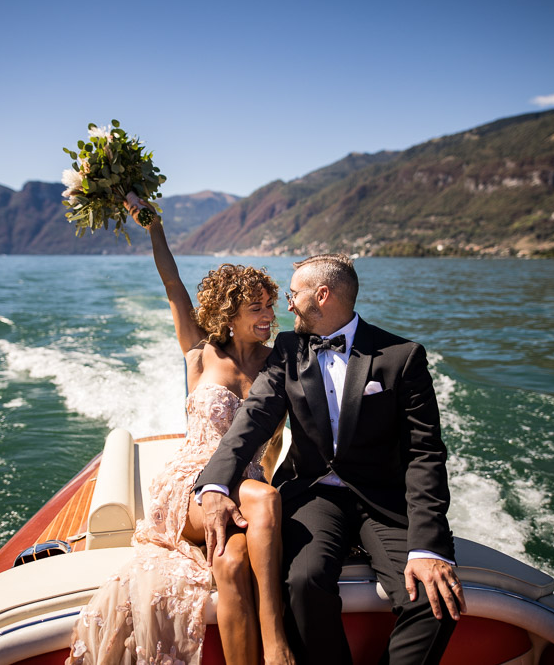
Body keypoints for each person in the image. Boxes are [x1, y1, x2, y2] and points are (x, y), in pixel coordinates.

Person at [195, 254, 466, 665]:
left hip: (384, 499)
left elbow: (424, 454)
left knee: (434, 600)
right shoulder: (287, 349)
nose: (287, 305)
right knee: (302, 582)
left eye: (293, 294)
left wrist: (429, 548)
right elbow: (253, 419)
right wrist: (216, 482)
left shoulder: (402, 356)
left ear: (321, 295)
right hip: (314, 493)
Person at [67, 200, 295, 665]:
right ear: (229, 314)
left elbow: (274, 444)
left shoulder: (280, 364)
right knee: (264, 499)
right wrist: (153, 226)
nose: (269, 315)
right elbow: (172, 282)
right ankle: (277, 646)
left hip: (247, 484)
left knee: (233, 564)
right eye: (256, 307)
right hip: (193, 484)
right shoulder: (199, 352)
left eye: (271, 305)